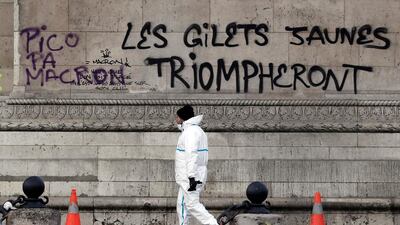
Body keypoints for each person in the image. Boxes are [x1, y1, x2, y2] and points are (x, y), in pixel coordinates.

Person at [175, 105, 219, 225]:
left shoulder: (190, 132)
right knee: (182, 205)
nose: (175, 119)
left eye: (177, 116)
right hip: (190, 176)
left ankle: (212, 223)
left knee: (192, 204)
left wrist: (191, 177)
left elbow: (191, 154)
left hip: (189, 177)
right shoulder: (195, 131)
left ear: (182, 118)